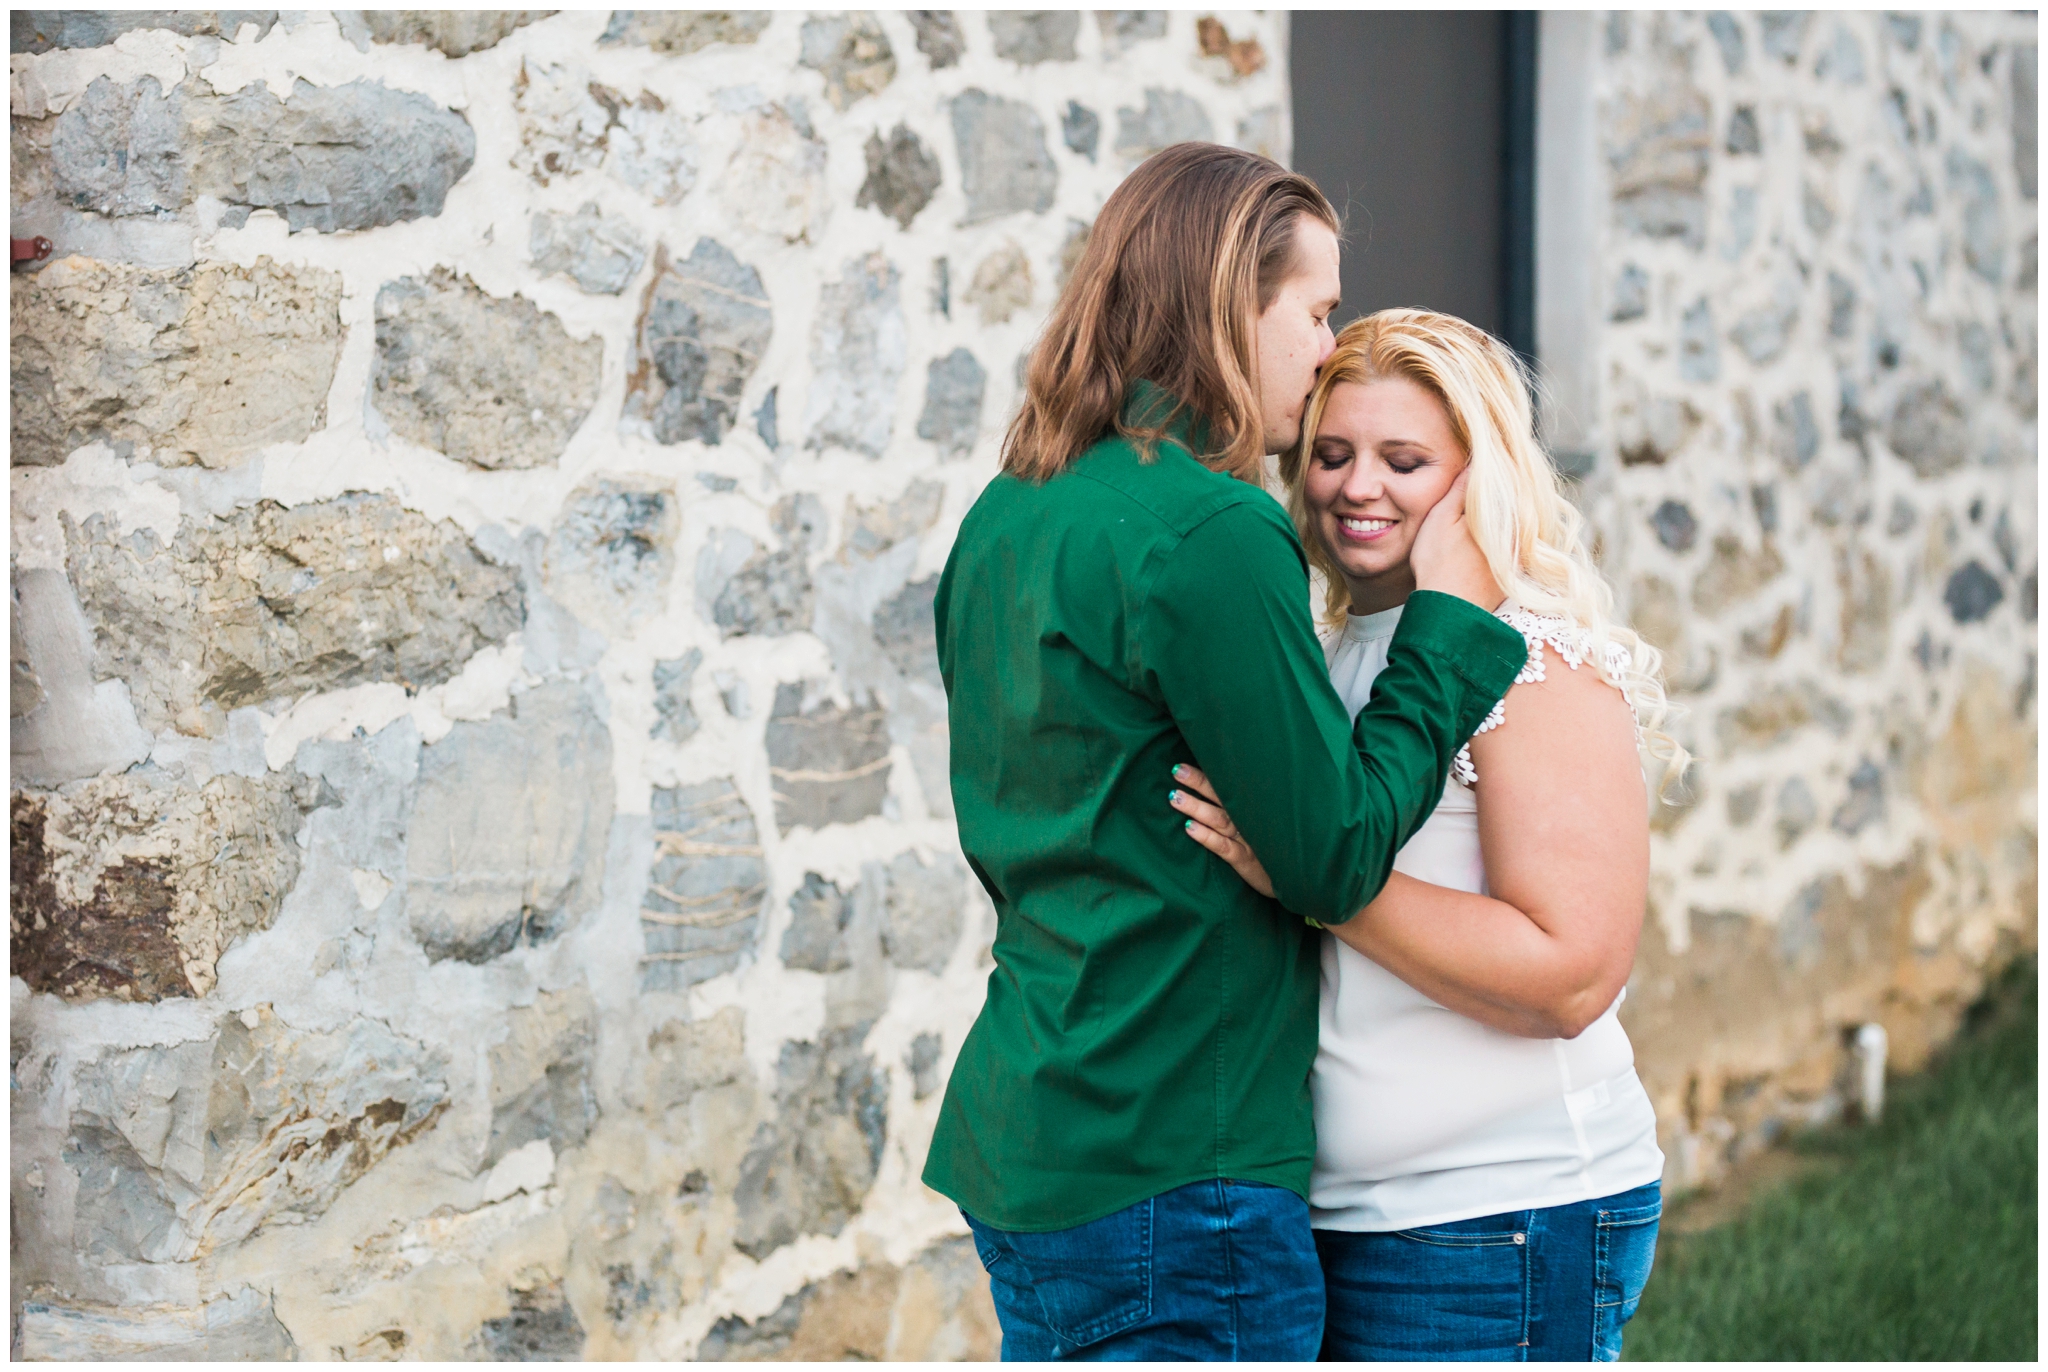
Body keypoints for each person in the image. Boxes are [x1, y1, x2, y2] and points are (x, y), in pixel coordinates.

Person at [921, 143, 1529, 1361]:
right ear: (1222, 305)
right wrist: (1449, 634)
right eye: (1314, 311)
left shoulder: (1010, 509)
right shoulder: (1212, 524)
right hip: (1172, 1160)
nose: (1326, 348)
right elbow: (1336, 856)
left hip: (1032, 1121)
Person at [1171, 309, 1690, 1361]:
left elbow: (1570, 976)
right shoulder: (1315, 655)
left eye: (1402, 460)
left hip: (1499, 1215)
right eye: (1330, 454)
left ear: (1474, 477)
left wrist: (1315, 877)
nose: (1357, 487)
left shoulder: (1528, 665)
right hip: (1334, 1221)